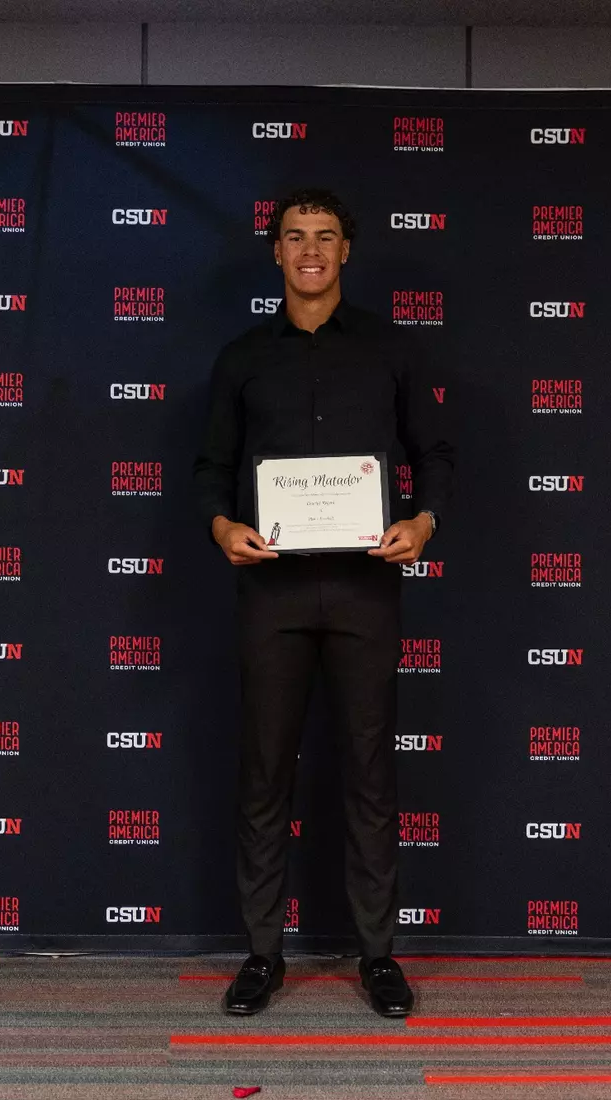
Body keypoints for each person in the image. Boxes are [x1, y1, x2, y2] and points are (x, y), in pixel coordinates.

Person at [192, 188, 454, 1017]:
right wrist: (221, 524)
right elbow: (211, 465)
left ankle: (378, 956)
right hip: (270, 592)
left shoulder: (391, 348)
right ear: (275, 251)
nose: (310, 249)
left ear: (347, 251)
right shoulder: (241, 357)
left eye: (326, 236)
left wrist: (423, 521)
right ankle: (262, 955)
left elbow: (435, 452)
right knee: (265, 773)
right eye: (295, 236)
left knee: (370, 775)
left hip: (363, 589)